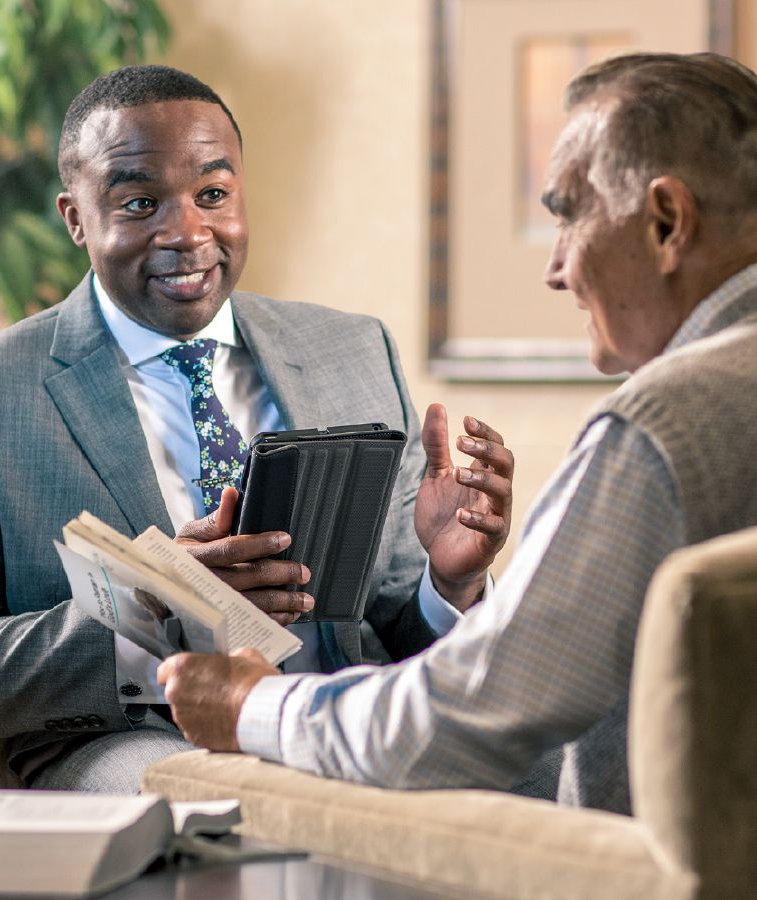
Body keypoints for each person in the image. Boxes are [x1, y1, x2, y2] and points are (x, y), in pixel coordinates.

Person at [0, 65, 513, 793]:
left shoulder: (354, 350)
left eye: (212, 194)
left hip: (347, 717)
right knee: (234, 806)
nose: (187, 232)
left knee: (552, 763)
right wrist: (155, 604)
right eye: (140, 203)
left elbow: (393, 629)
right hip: (141, 745)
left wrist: (449, 583)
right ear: (75, 217)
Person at [157, 51, 757, 814]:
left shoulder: (657, 428)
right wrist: (454, 585)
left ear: (667, 222)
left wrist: (252, 708)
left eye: (569, 213)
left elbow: (470, 710)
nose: (556, 266)